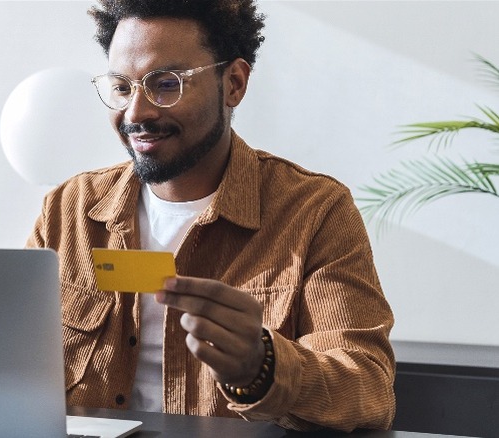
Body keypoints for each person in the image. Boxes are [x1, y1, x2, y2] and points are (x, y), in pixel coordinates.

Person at [26, 0, 395, 432]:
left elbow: (368, 390)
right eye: (123, 87)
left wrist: (263, 366)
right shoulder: (69, 210)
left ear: (234, 83)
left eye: (165, 84)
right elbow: (10, 365)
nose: (136, 113)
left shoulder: (314, 212)